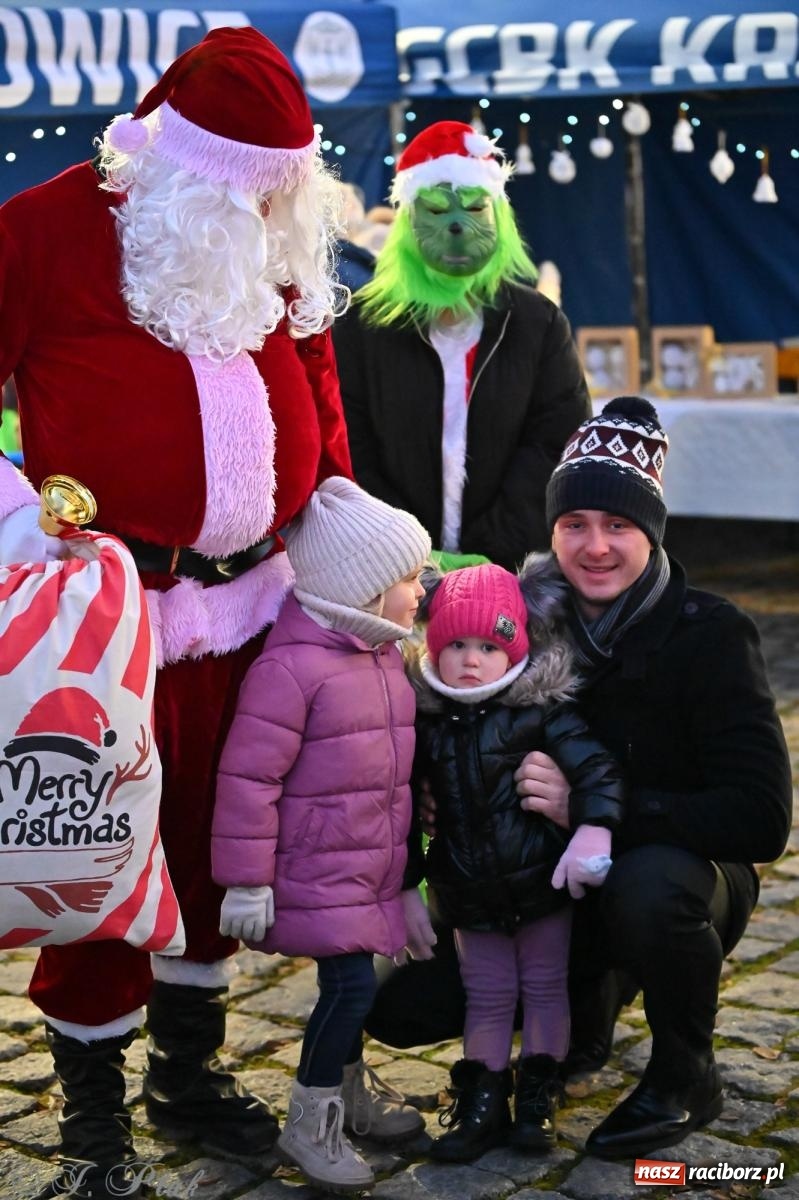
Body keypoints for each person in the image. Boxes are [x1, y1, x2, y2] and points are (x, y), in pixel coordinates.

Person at [0, 27, 353, 1199]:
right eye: (246, 193)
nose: (268, 215)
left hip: (256, 606)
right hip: (103, 624)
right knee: (97, 860)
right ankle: (97, 1141)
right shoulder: (47, 228)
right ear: (180, 163)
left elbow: (313, 379)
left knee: (216, 852)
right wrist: (18, 522)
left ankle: (188, 1081)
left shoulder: (279, 235)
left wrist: (339, 515)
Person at [365, 396, 793, 1161]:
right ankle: (585, 1002)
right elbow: (450, 723)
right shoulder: (523, 630)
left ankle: (683, 1071)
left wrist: (594, 808)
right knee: (399, 1006)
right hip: (533, 884)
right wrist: (440, 796)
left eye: (618, 526)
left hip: (682, 875)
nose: (594, 547)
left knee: (647, 887)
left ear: (651, 531)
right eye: (574, 525)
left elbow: (759, 818)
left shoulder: (708, 634)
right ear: (552, 529)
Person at [211, 476, 434, 1192]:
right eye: (406, 576)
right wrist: (246, 881)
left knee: (357, 985)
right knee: (348, 988)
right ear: (360, 590)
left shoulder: (384, 660)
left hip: (365, 869)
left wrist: (405, 879)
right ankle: (310, 1121)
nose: (421, 587)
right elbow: (249, 780)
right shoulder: (292, 668)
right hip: (316, 872)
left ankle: (348, 1094)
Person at [408, 560, 624, 1162]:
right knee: (488, 993)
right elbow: (399, 804)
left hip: (542, 888)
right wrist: (408, 885)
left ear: (516, 647)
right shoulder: (425, 722)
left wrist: (593, 829)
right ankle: (481, 1095)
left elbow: (597, 770)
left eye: (488, 645)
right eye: (456, 645)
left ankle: (538, 1089)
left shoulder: (542, 712)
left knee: (546, 987)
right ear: (432, 644)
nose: (471, 660)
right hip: (468, 894)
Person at [332, 120, 591, 571]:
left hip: (512, 580)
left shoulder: (537, 324)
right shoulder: (360, 325)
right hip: (391, 581)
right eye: (434, 211)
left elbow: (556, 447)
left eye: (474, 208)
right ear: (408, 221)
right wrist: (414, 558)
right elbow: (349, 453)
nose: (455, 226)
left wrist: (489, 558)